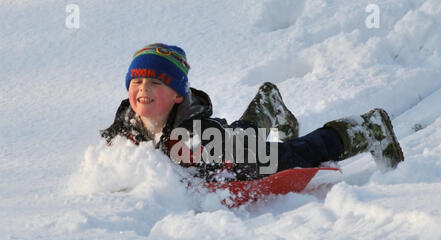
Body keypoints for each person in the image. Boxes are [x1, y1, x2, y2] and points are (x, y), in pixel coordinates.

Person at [101, 43, 404, 182]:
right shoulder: (127, 120)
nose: (144, 90)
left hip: (242, 159)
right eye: (137, 81)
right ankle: (268, 103)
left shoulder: (195, 136)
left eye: (156, 82)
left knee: (296, 153)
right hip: (229, 140)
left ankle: (367, 128)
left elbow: (217, 170)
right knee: (242, 132)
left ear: (178, 94)